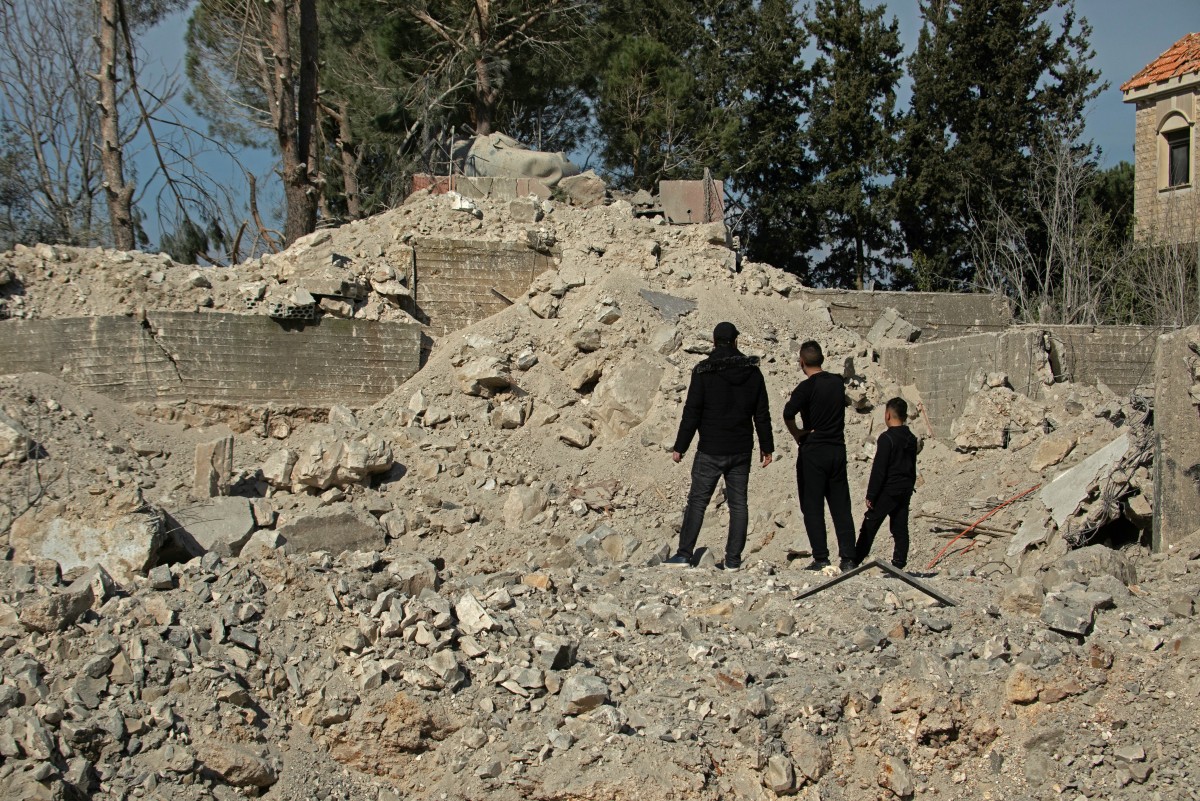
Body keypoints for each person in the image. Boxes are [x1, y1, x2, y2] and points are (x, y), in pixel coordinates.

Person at [666, 322, 773, 570]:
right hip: (741, 450)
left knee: (697, 501)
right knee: (738, 505)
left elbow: (692, 412)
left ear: (714, 342)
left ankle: (683, 554)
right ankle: (733, 560)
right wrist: (767, 447)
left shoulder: (703, 371)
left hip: (710, 449)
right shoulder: (753, 372)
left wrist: (680, 446)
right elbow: (762, 414)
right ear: (736, 341)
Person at [782, 340, 856, 572]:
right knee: (840, 506)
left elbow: (788, 413)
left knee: (813, 506)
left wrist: (798, 434)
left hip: (813, 451)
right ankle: (848, 558)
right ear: (822, 359)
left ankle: (821, 558)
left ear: (802, 362)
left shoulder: (806, 388)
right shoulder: (836, 382)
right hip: (836, 449)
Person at [854, 397, 919, 569]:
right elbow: (912, 465)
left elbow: (879, 469)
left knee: (871, 523)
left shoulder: (886, 438)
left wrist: (871, 494)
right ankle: (899, 562)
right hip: (905, 488)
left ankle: (853, 561)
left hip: (888, 489)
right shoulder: (911, 438)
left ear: (888, 415)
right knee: (900, 525)